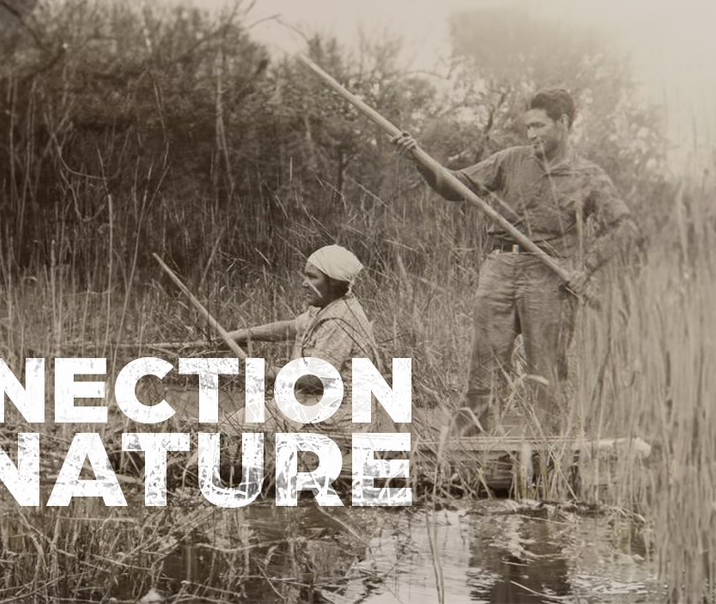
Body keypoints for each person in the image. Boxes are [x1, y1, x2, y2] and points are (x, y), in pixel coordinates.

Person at [393, 88, 640, 435]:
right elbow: (454, 186)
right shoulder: (509, 160)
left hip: (551, 279)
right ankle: (468, 452)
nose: (531, 134)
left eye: (539, 126)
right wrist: (419, 158)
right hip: (499, 270)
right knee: (484, 369)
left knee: (547, 374)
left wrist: (585, 270)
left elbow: (625, 228)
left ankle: (545, 457)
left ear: (563, 123)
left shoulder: (588, 176)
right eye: (528, 127)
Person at [226, 244, 392, 440]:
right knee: (231, 425)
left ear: (334, 282)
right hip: (312, 405)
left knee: (229, 428)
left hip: (333, 420)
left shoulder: (340, 319)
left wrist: (268, 372)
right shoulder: (327, 305)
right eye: (306, 276)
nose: (304, 283)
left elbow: (315, 379)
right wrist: (243, 334)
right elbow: (290, 327)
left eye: (312, 277)